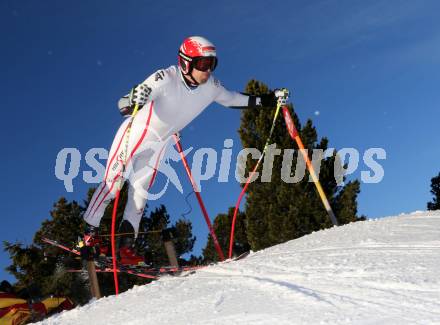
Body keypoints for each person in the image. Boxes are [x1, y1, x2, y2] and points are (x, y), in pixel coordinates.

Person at [83, 36, 285, 265]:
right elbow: (123, 104)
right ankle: (87, 236)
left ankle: (125, 250)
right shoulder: (165, 78)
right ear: (186, 62)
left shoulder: (211, 87)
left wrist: (270, 99)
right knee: (112, 183)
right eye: (202, 64)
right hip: (135, 135)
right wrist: (130, 100)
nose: (207, 70)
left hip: (160, 143)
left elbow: (234, 100)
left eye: (212, 64)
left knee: (139, 195)